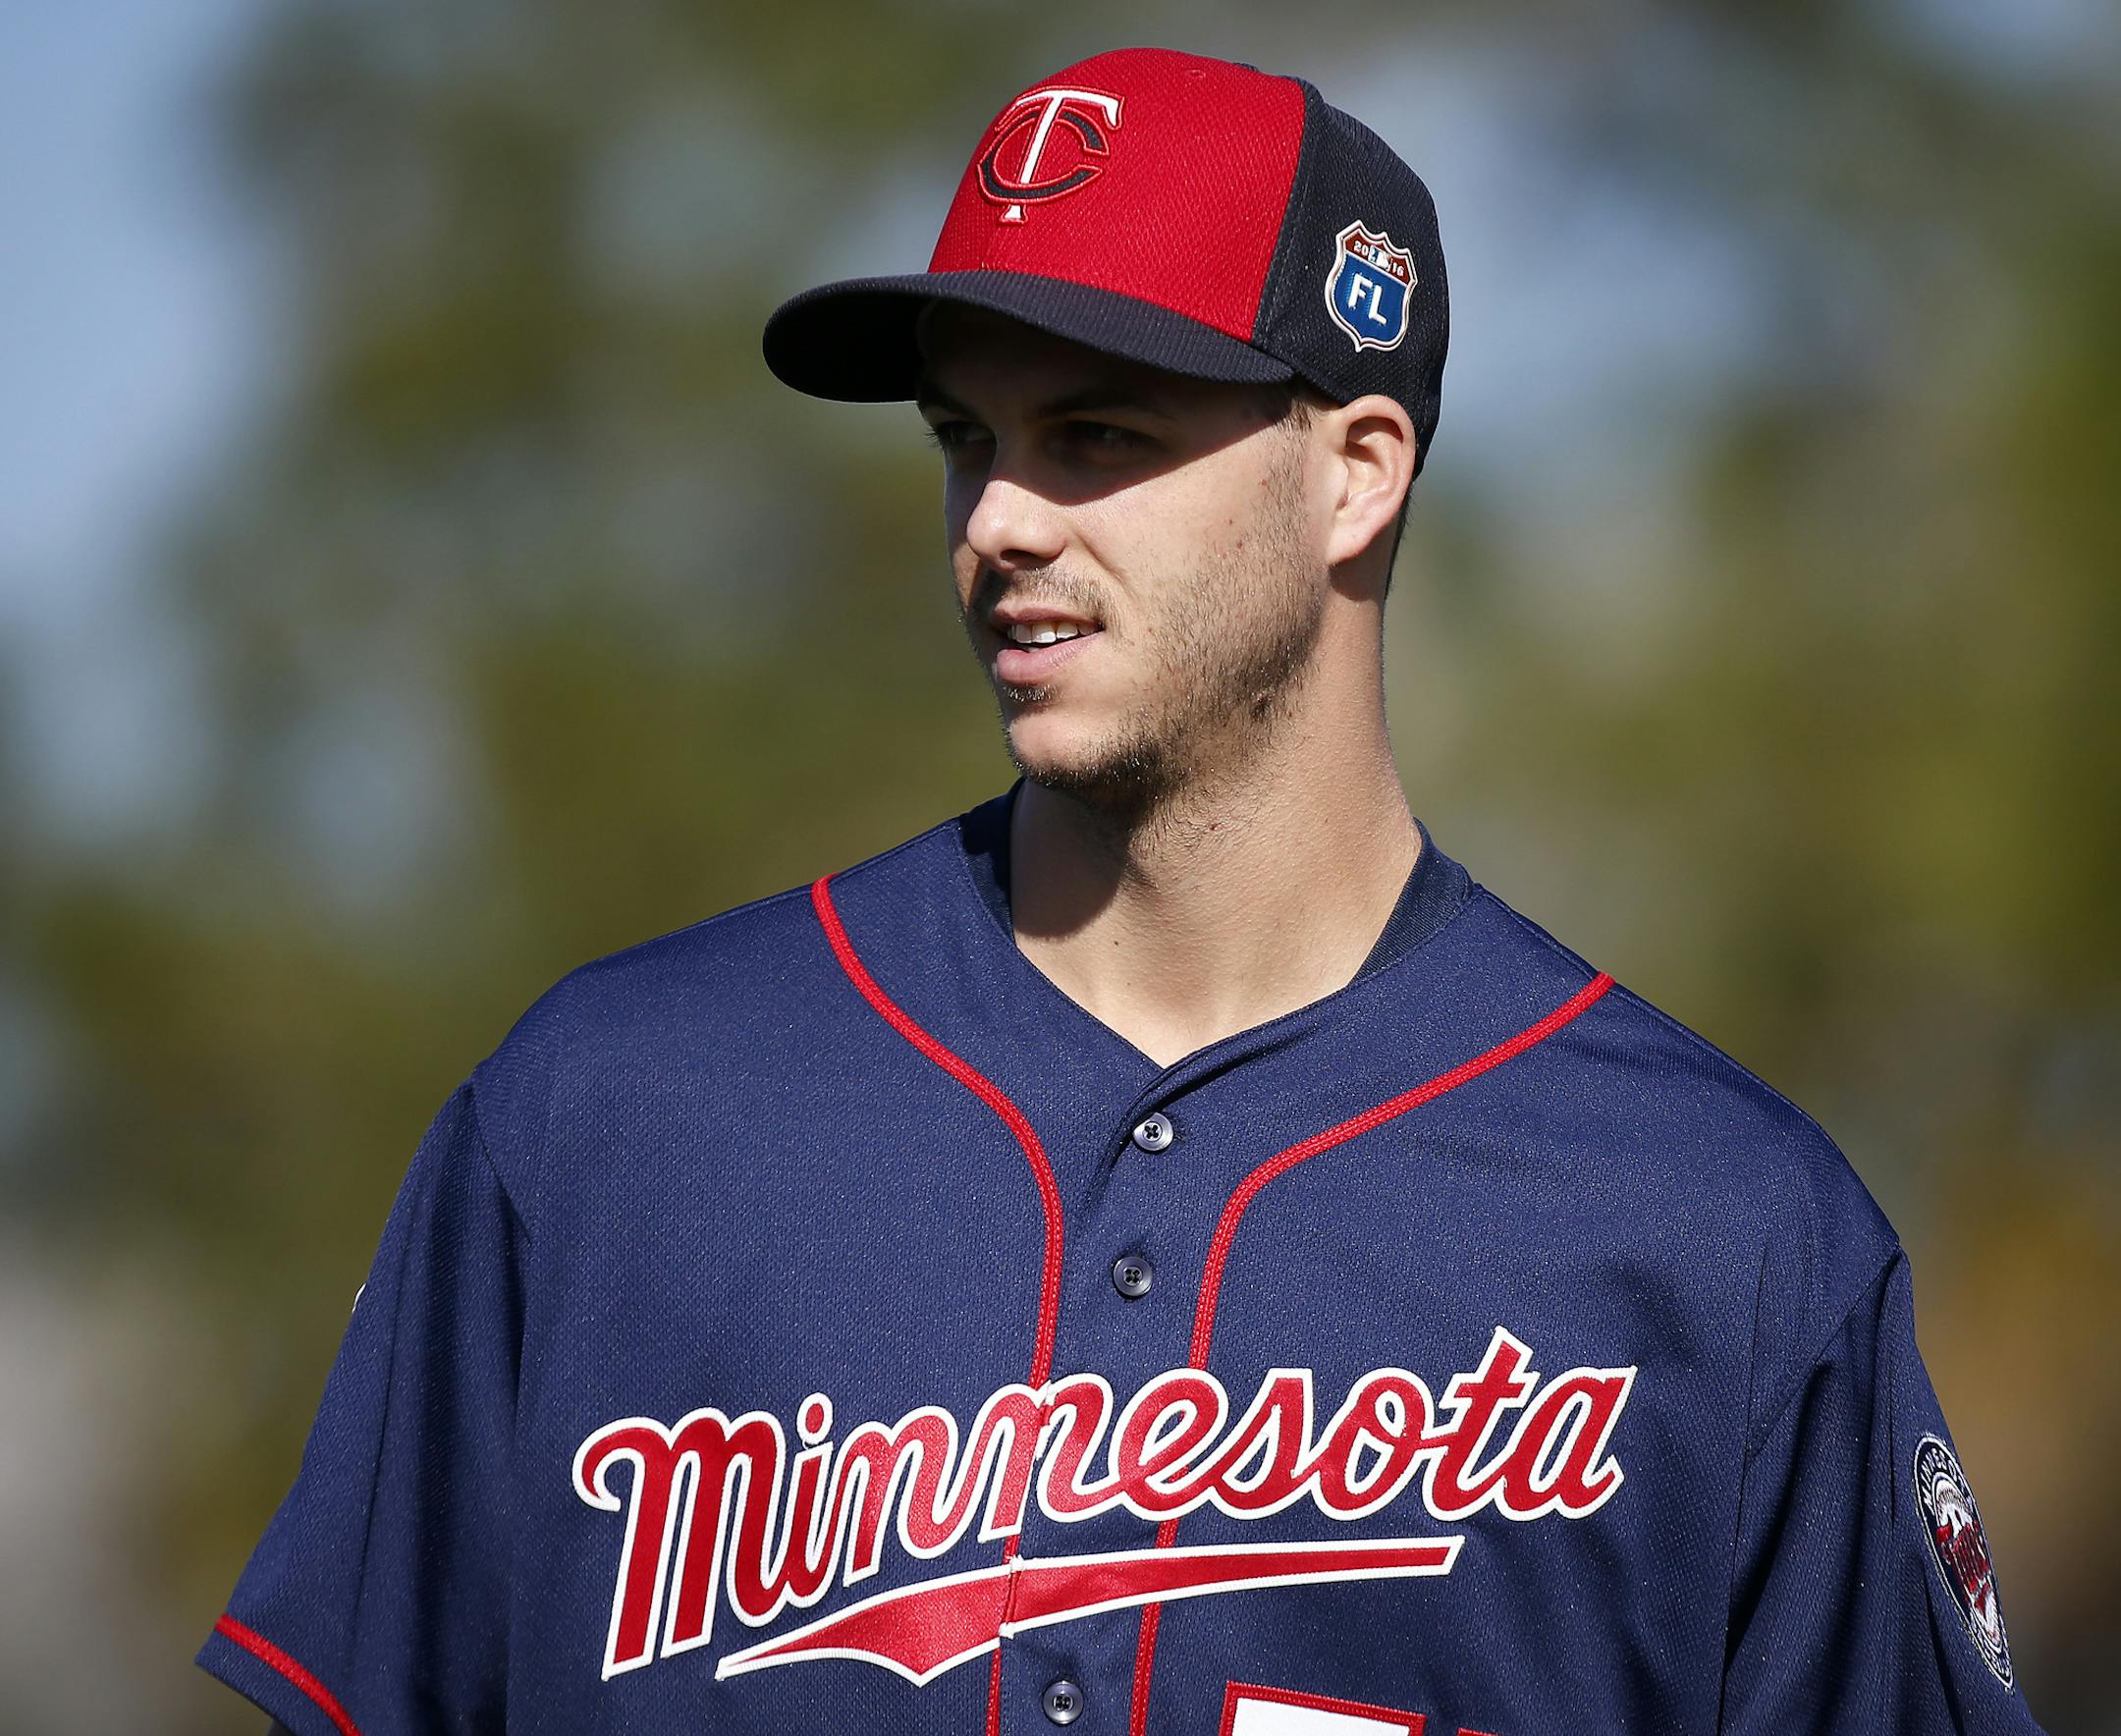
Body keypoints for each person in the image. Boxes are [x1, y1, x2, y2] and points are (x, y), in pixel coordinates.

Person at [202, 46, 2045, 1736]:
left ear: (1356, 477)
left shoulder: (1720, 1235)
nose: (999, 515)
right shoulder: (606, 1120)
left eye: (1095, 435)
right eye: (965, 438)